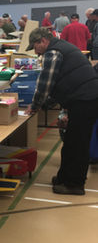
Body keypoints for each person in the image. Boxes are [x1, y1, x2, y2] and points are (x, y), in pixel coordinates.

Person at [24, 27, 98, 195]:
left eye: (35, 47)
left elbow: (45, 83)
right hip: (83, 98)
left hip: (85, 100)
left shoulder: (53, 52)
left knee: (77, 144)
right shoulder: (61, 47)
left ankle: (74, 184)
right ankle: (64, 177)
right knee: (71, 142)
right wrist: (47, 104)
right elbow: (60, 84)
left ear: (43, 41)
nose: (36, 53)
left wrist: (35, 105)